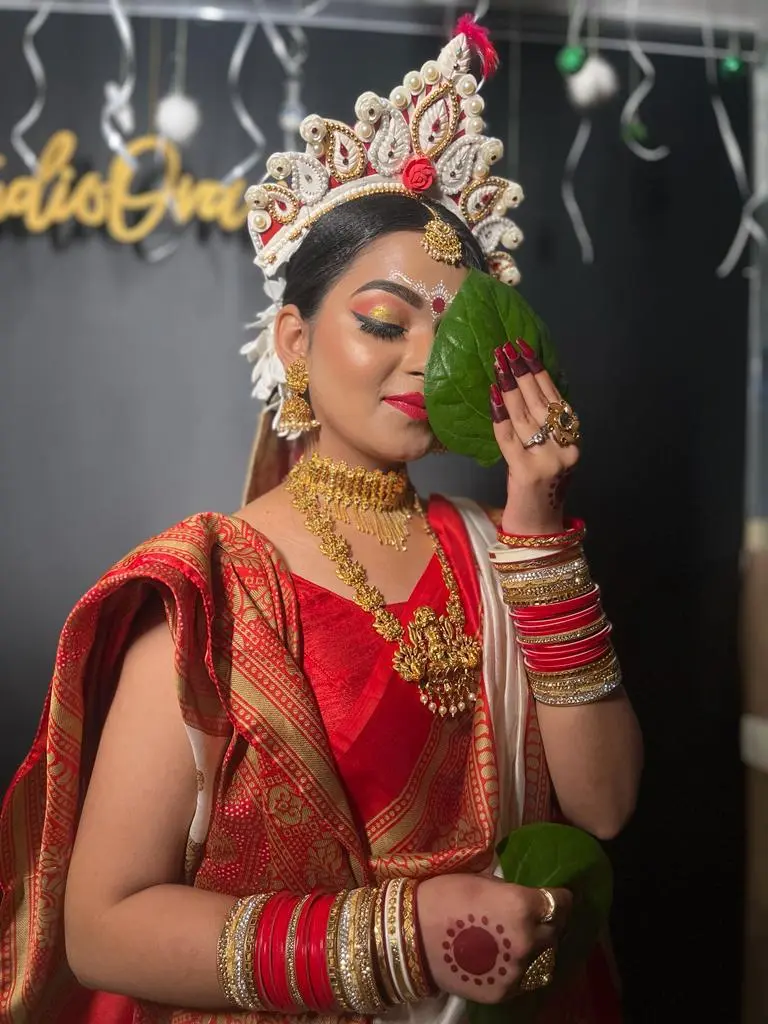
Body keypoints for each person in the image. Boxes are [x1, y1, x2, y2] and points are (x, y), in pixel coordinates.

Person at [0, 18, 642, 1024]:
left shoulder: (497, 547)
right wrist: (401, 936)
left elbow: (602, 806)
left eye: (456, 331)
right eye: (384, 322)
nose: (427, 360)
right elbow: (104, 926)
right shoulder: (212, 585)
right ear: (296, 341)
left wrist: (536, 524)